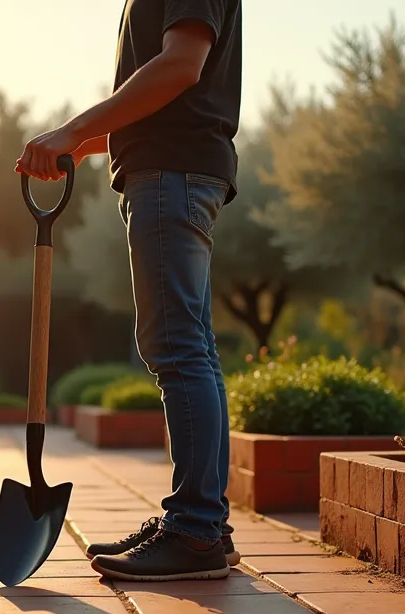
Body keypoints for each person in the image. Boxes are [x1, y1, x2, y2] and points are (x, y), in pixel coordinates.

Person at [16, 0, 242, 581]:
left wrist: (74, 129)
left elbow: (179, 68)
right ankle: (206, 525)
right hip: (174, 171)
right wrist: (77, 144)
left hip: (171, 175)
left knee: (176, 346)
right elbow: (158, 100)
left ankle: (193, 531)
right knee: (192, 347)